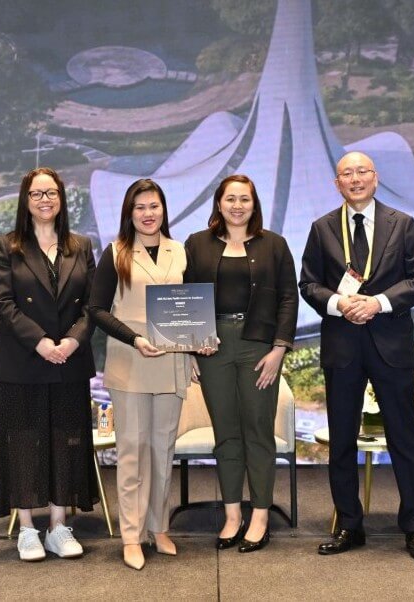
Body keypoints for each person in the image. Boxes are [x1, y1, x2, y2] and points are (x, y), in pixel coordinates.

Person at [299, 151, 414, 562]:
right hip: (342, 347)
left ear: (375, 178)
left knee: (404, 438)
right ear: (337, 183)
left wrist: (377, 302)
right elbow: (308, 284)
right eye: (347, 174)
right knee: (341, 440)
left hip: (391, 345)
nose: (355, 179)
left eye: (362, 171)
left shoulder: (403, 224)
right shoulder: (322, 227)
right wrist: (341, 304)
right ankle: (348, 525)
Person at [0, 167, 98, 561]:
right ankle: (28, 529)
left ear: (62, 198)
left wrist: (70, 341)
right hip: (23, 364)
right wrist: (41, 343)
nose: (45, 199)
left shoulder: (81, 246)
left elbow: (92, 306)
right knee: (24, 444)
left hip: (68, 361)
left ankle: (59, 527)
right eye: (36, 193)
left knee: (66, 442)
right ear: (25, 200)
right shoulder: (7, 245)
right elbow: (4, 302)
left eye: (51, 192)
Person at [184, 174, 298, 553]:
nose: (237, 205)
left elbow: (287, 299)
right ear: (218, 203)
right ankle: (232, 515)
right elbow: (185, 299)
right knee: (226, 434)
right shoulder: (196, 244)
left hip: (259, 349)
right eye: (230, 198)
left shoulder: (275, 246)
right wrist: (189, 348)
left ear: (254, 204)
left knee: (258, 432)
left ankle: (260, 515)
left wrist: (278, 348)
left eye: (244, 199)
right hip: (211, 349)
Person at [89, 179, 194, 571]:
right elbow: (97, 310)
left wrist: (199, 342)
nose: (148, 214)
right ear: (129, 213)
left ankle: (159, 527)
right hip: (131, 364)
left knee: (162, 450)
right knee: (132, 452)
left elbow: (190, 307)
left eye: (154, 206)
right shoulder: (115, 253)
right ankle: (131, 535)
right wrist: (134, 339)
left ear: (164, 210)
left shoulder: (180, 251)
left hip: (171, 364)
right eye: (140, 208)